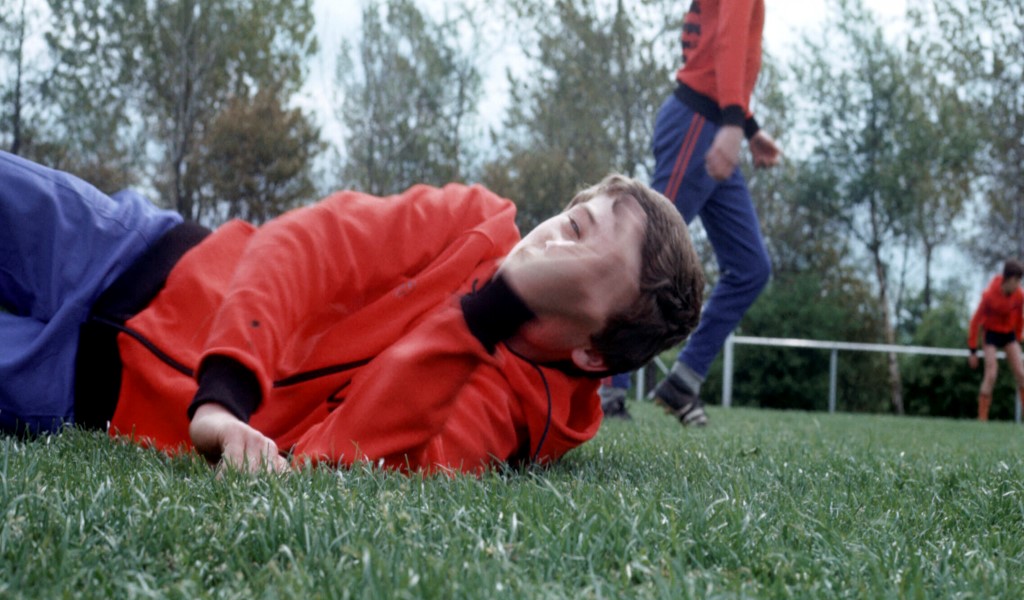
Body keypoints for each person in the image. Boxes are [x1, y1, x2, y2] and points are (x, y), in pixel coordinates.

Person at [0, 150, 704, 474]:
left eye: (584, 259)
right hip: (125, 242)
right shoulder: (475, 219)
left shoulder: (502, 418)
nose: (553, 242)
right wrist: (227, 389)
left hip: (79, 385)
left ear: (591, 351)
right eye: (572, 219)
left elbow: (339, 461)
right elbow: (314, 242)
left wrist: (495, 312)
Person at [599, 0, 780, 424]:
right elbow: (726, 44)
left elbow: (714, 48)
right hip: (699, 125)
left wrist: (748, 127)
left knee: (750, 267)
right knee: (645, 253)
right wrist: (734, 124)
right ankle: (606, 386)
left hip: (712, 123)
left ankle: (682, 381)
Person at [967, 259, 1024, 421]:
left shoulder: (1019, 295)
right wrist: (973, 350)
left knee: (1021, 373)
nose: (1019, 284)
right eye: (1017, 281)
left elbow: (1020, 318)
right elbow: (975, 321)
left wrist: (1018, 338)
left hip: (1009, 334)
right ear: (1009, 279)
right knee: (991, 373)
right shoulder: (989, 295)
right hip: (991, 334)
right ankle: (982, 418)